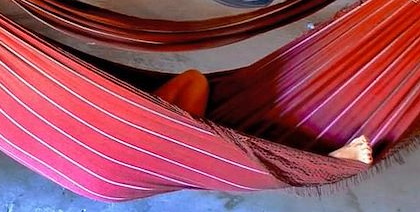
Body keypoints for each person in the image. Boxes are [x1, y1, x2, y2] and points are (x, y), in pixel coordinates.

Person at [154, 69, 373, 164]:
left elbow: (194, 81)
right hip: (152, 144)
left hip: (150, 123)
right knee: (229, 157)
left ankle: (198, 134)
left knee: (193, 78)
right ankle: (323, 161)